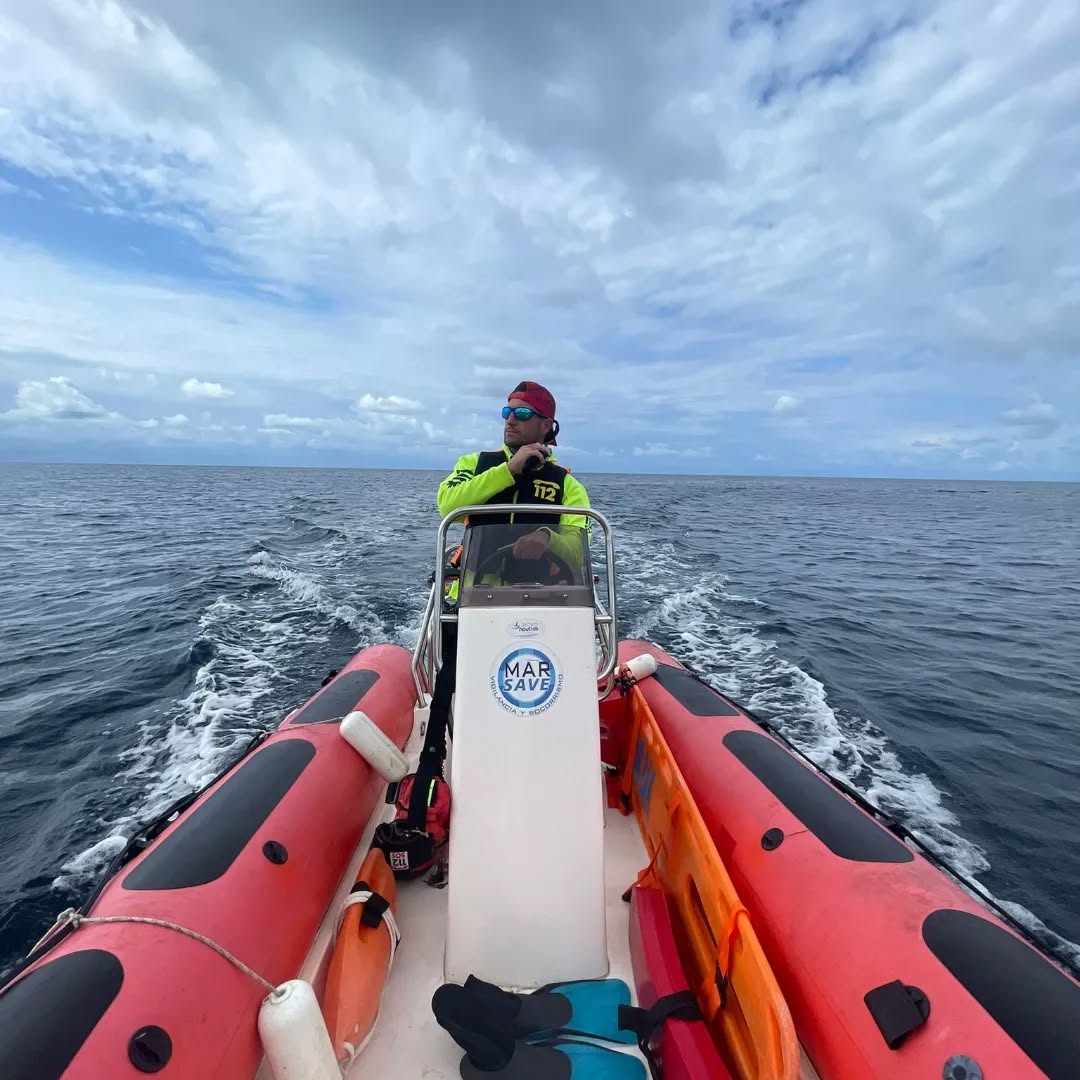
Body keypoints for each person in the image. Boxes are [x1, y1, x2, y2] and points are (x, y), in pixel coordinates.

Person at [437, 381, 590, 583]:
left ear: (546, 425)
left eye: (522, 414)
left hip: (539, 598)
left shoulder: (568, 486)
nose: (510, 420)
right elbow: (447, 507)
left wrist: (548, 538)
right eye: (506, 412)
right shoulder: (474, 464)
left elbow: (577, 551)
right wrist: (507, 471)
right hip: (472, 597)